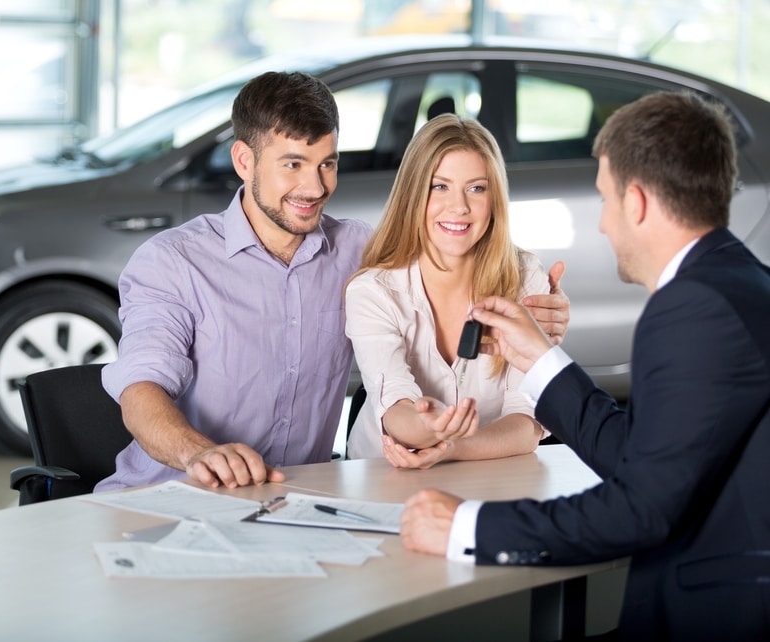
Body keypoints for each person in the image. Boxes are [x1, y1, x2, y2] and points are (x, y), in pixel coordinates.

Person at [400, 91, 770, 640]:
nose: (601, 225)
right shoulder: (739, 280)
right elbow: (640, 454)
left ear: (638, 202)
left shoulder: (693, 308)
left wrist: (467, 525)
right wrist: (542, 358)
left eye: (604, 200)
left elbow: (640, 508)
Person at [96, 71, 571, 492]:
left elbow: (446, 256)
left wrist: (547, 321)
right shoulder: (173, 261)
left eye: (328, 163)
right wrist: (197, 452)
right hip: (171, 494)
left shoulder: (362, 254)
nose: (316, 186)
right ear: (244, 161)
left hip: (297, 502)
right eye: (293, 164)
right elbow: (141, 388)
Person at [345, 114, 554, 465]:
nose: (459, 207)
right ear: (414, 195)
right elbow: (395, 406)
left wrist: (450, 448)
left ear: (494, 199)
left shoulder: (525, 278)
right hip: (386, 473)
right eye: (439, 186)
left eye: (476, 188)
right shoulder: (373, 291)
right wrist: (428, 425)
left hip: (487, 471)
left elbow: (528, 421)